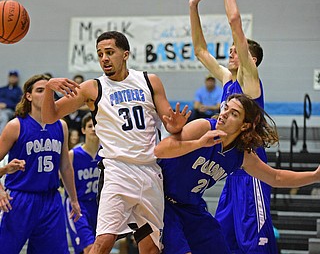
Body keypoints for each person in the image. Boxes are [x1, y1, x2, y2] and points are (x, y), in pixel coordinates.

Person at [41, 31, 190, 254]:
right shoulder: (93, 87)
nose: (104, 58)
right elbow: (49, 117)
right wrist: (49, 88)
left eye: (110, 52)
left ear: (125, 54)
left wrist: (177, 125)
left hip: (150, 171)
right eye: (100, 54)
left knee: (150, 248)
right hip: (117, 171)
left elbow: (171, 126)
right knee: (103, 243)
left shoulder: (150, 81)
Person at [154, 93, 320, 254]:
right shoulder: (203, 127)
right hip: (163, 202)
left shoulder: (241, 155)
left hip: (192, 207)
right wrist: (199, 143)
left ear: (244, 125)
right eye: (226, 108)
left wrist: (315, 176)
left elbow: (275, 177)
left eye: (234, 114)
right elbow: (160, 150)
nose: (224, 114)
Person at [189, 0, 275, 252]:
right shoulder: (228, 80)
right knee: (224, 240)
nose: (231, 52)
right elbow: (200, 51)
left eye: (236, 50)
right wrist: (193, 6)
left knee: (255, 244)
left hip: (252, 170)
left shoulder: (250, 81)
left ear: (252, 59)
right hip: (231, 168)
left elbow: (235, 22)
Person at [0, 74, 81, 254]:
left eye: (49, 91)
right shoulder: (16, 126)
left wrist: (74, 199)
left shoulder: (61, 126)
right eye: (39, 90)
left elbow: (66, 166)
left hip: (51, 200)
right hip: (20, 199)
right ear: (28, 96)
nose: (45, 95)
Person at [65, 113, 101, 254]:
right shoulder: (73, 154)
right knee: (89, 248)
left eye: (96, 126)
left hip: (100, 206)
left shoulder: (107, 154)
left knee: (101, 247)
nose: (93, 129)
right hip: (79, 205)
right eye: (90, 126)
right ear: (83, 130)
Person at [0, 70, 23, 134]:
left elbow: (19, 104)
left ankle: (1, 137)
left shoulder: (18, 91)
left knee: (3, 116)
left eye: (14, 77)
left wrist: (6, 105)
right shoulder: (2, 89)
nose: (12, 79)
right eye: (11, 77)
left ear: (17, 78)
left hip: (9, 110)